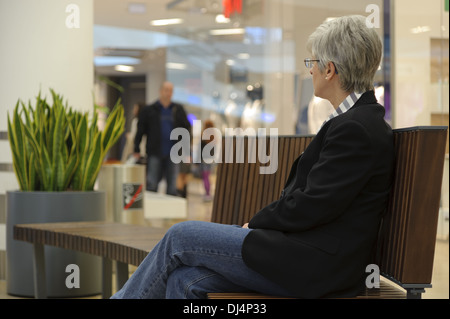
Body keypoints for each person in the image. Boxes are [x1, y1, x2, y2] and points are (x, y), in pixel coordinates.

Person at [112, 15, 394, 299]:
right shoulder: (356, 121)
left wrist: (257, 223)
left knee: (179, 237)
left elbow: (313, 204)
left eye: (312, 63)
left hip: (315, 267)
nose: (310, 72)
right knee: (186, 280)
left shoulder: (356, 128)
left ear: (329, 69)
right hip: (307, 255)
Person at [134, 81, 191, 196]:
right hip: (155, 152)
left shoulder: (178, 110)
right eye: (166, 90)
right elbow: (140, 131)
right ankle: (151, 212)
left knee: (172, 186)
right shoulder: (149, 110)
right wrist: (136, 149)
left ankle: (170, 212)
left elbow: (186, 131)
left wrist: (186, 151)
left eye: (170, 91)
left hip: (173, 154)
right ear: (160, 91)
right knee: (152, 184)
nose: (168, 93)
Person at [200, 120, 215, 201]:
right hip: (211, 159)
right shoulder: (214, 136)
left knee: (205, 177)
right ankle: (208, 193)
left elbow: (200, 149)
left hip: (204, 159)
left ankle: (207, 193)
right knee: (208, 177)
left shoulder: (203, 135)